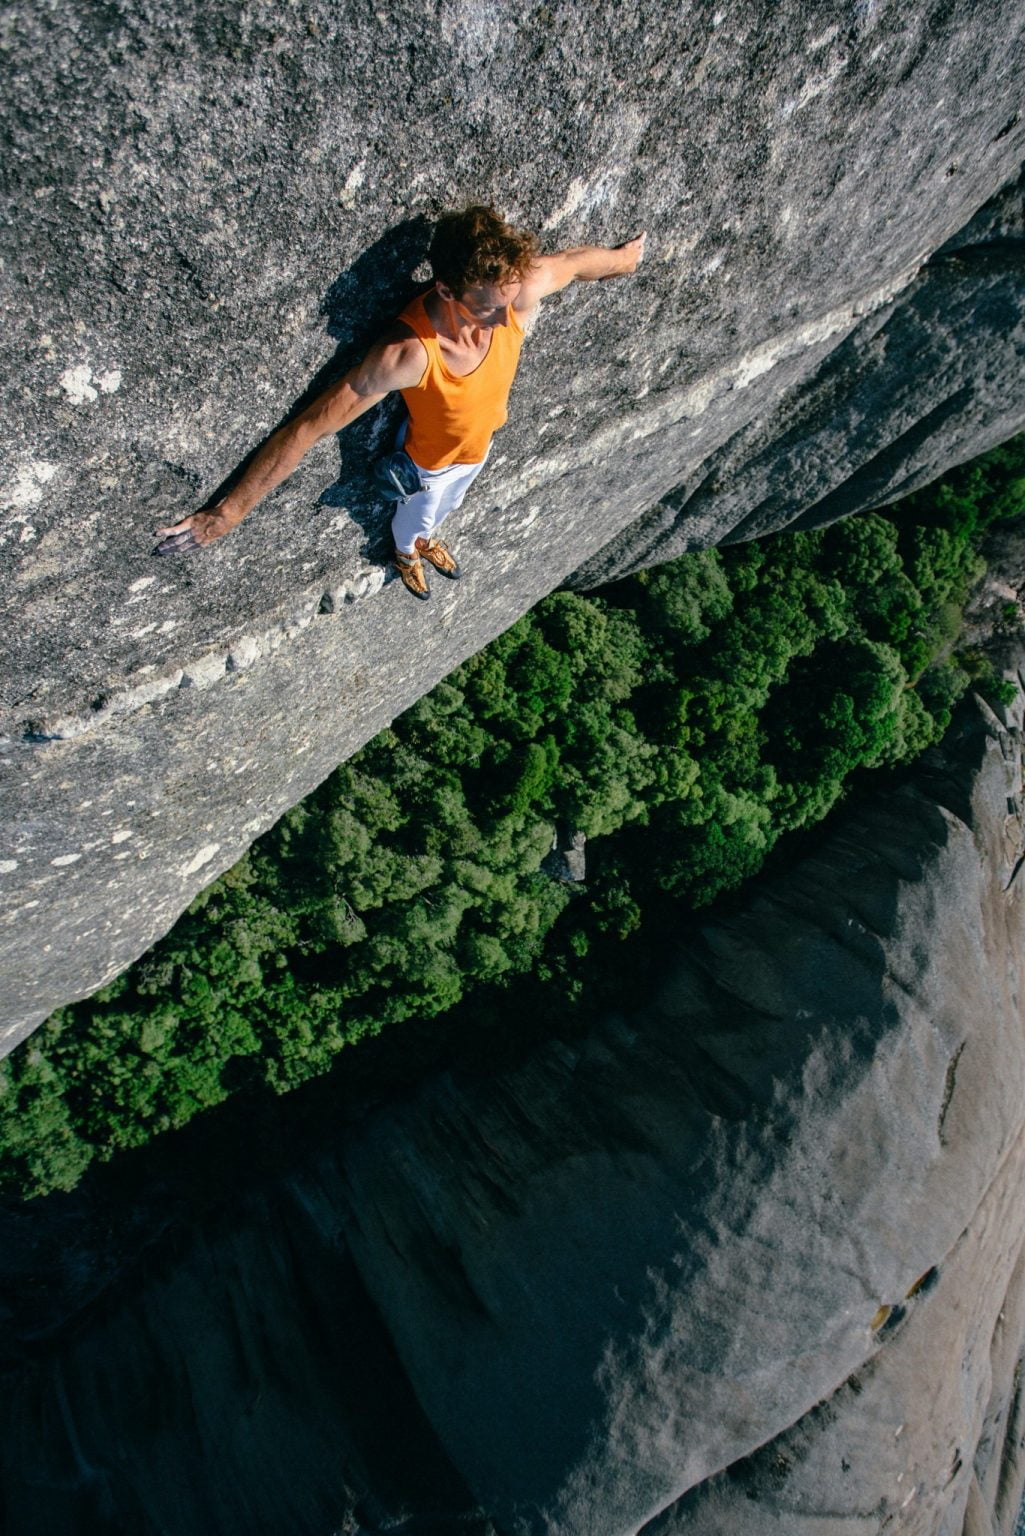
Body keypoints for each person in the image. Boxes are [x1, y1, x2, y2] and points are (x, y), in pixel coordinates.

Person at [155, 205, 646, 599]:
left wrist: (623, 262)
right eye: (488, 308)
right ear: (447, 289)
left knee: (448, 506)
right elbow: (308, 429)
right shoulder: (409, 354)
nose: (505, 320)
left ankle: (426, 540)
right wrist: (228, 514)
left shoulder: (516, 287)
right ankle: (407, 553)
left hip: (478, 451)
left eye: (511, 298)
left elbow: (575, 264)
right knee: (415, 520)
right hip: (429, 463)